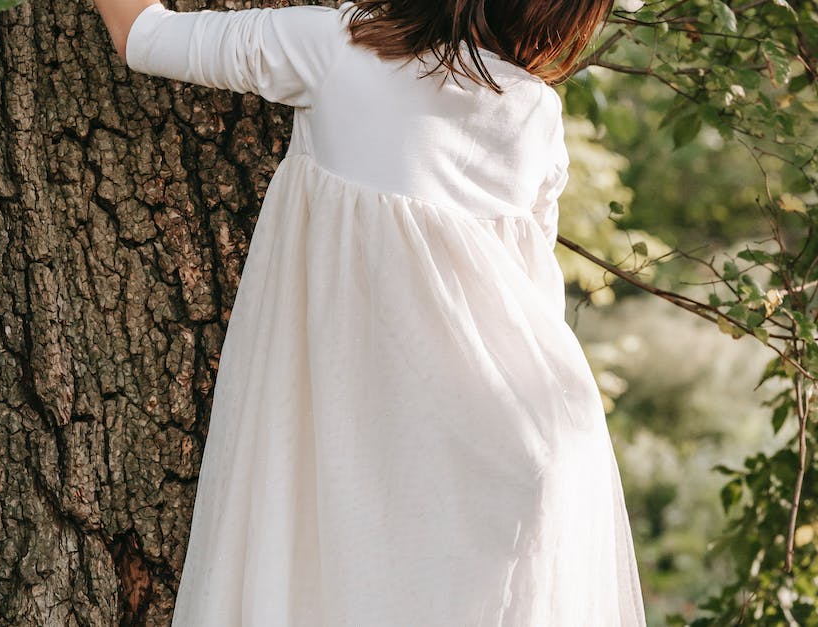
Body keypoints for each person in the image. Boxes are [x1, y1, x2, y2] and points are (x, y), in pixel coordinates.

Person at [92, 0, 647, 624]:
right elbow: (530, 304)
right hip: (528, 450)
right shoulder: (535, 116)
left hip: (372, 447)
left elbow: (143, 34)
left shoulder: (337, 46)